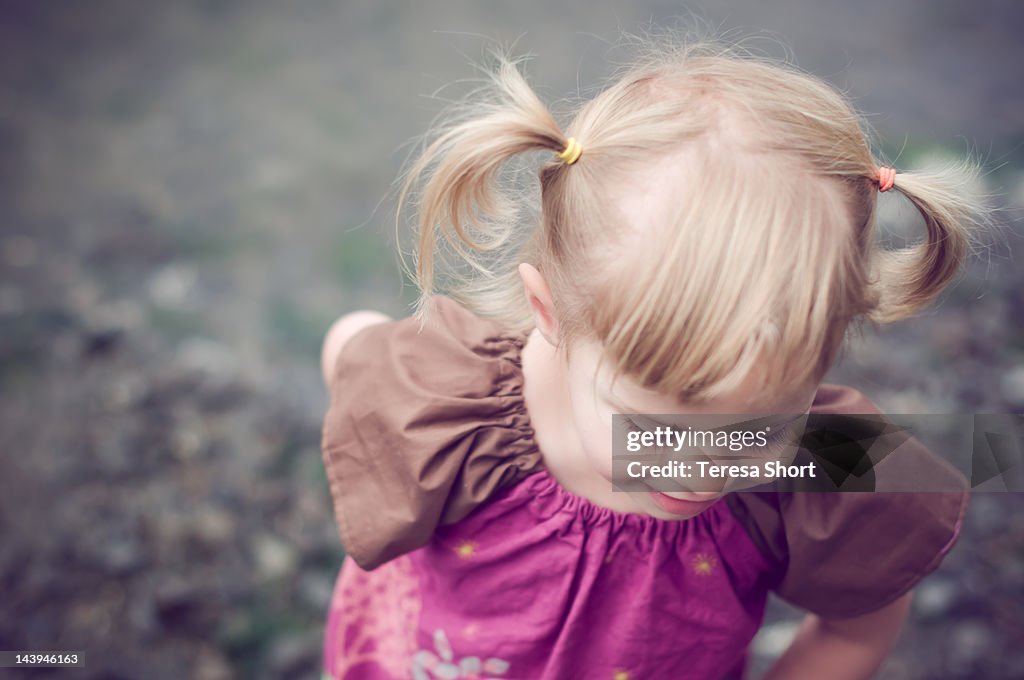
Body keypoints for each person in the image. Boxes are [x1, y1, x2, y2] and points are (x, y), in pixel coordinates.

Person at [318, 36, 984, 679]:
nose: (700, 470)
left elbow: (859, 627)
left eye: (756, 428)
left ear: (829, 344)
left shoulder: (828, 466)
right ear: (551, 314)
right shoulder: (452, 396)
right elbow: (350, 345)